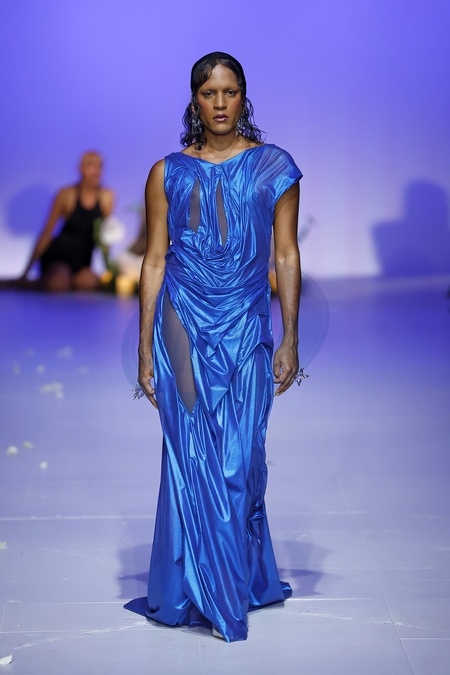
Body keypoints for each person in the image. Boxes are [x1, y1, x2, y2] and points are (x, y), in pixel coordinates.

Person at [137, 52, 303, 643]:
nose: (220, 103)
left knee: (240, 457)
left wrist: (291, 335)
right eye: (209, 93)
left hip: (246, 322)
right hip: (182, 320)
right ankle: (207, 593)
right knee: (191, 456)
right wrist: (143, 346)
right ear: (194, 101)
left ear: (244, 96)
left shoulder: (273, 167)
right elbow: (154, 259)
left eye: (230, 92)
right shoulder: (167, 172)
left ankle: (229, 577)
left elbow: (286, 254)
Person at [6, 151, 114, 291]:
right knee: (59, 283)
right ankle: (27, 283)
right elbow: (47, 232)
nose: (96, 171)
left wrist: (111, 269)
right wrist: (26, 271)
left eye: (99, 166)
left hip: (83, 259)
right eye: (90, 165)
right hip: (60, 255)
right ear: (81, 168)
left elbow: (105, 237)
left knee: (89, 283)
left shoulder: (107, 197)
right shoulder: (66, 194)